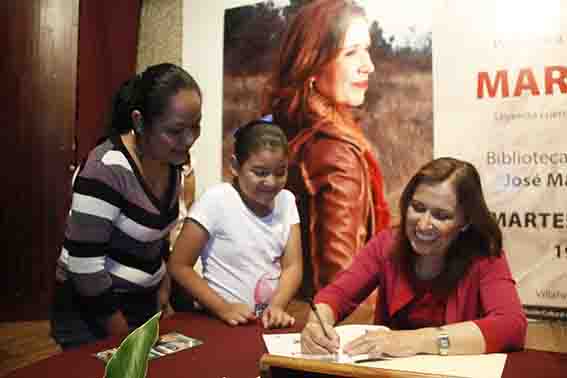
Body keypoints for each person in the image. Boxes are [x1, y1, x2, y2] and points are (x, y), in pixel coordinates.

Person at [301, 157, 527, 357]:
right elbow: (337, 294)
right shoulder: (387, 243)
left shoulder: (485, 256)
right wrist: (316, 324)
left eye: (441, 215)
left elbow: (511, 326)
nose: (424, 224)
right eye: (418, 207)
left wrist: (415, 341)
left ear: (465, 222)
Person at [50, 63, 203, 349]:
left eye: (196, 125)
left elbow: (156, 239)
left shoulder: (171, 162)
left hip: (140, 307)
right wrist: (123, 335)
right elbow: (85, 267)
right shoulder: (106, 168)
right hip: (92, 312)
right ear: (140, 122)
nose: (190, 139)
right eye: (177, 130)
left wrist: (162, 286)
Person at [263, 0, 390, 298]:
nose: (368, 66)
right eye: (350, 53)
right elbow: (341, 286)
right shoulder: (335, 153)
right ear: (311, 65)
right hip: (330, 331)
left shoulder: (289, 133)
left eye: (367, 49)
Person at [168, 120, 303, 329]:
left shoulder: (286, 201)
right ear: (235, 166)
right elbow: (179, 265)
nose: (271, 182)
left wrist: (277, 306)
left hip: (266, 325)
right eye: (260, 172)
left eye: (280, 172)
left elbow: (292, 266)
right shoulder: (217, 199)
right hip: (220, 323)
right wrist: (222, 307)